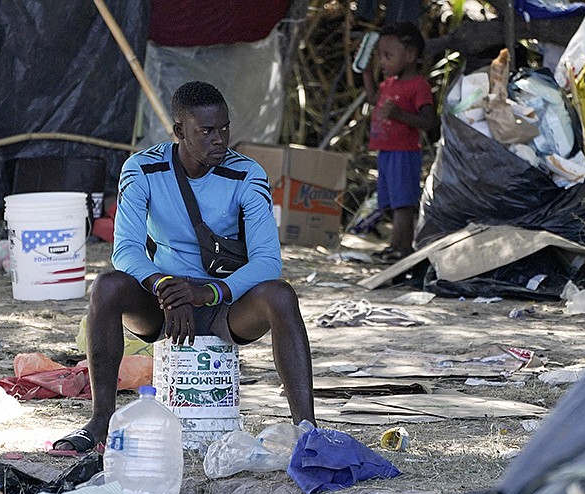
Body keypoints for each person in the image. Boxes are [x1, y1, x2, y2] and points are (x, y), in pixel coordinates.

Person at [52, 81, 316, 453]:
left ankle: (307, 430)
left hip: (227, 304)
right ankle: (100, 423)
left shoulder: (248, 174)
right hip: (164, 303)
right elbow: (126, 249)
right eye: (206, 131)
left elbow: (268, 262)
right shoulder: (142, 169)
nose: (219, 139)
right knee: (106, 286)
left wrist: (208, 291)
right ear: (179, 132)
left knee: (281, 294)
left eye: (224, 128)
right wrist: (163, 285)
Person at [362, 21, 437, 262]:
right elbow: (374, 98)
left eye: (388, 56)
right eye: (379, 56)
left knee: (403, 203)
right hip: (386, 150)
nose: (382, 62)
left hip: (404, 152)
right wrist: (364, 71)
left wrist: (399, 115)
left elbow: (428, 121)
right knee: (392, 201)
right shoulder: (390, 83)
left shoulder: (418, 86)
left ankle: (401, 248)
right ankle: (396, 246)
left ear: (410, 55)